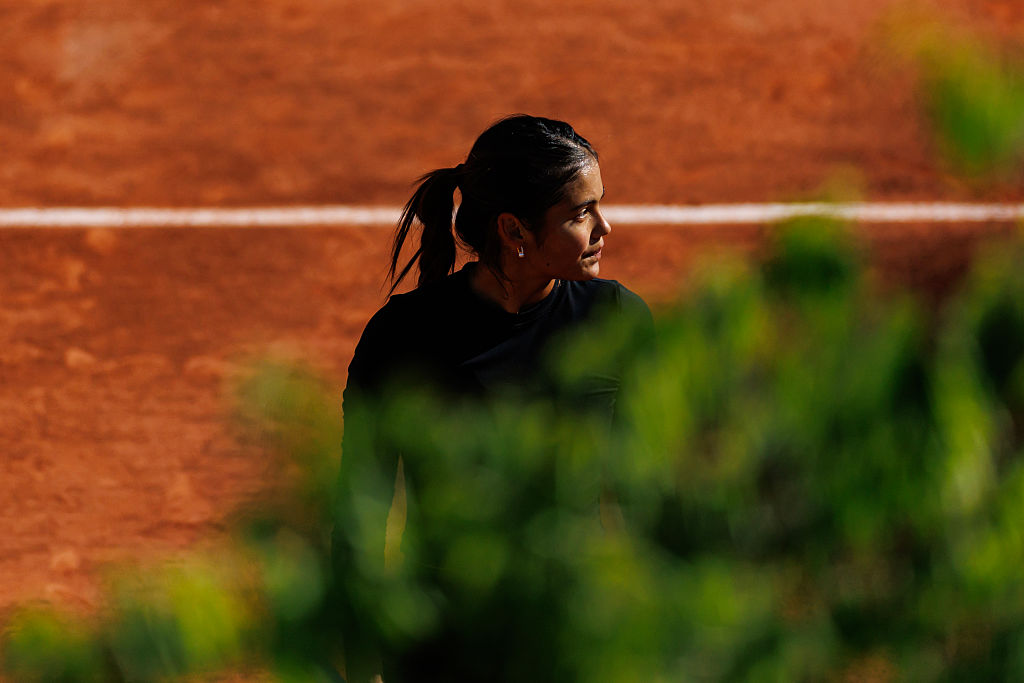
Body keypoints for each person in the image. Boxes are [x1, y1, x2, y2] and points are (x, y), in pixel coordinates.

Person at [334, 114, 652, 682]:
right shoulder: (402, 339)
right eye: (580, 213)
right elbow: (360, 509)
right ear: (514, 232)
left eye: (599, 204)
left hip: (570, 638)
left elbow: (653, 496)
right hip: (444, 644)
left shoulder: (618, 323)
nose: (605, 227)